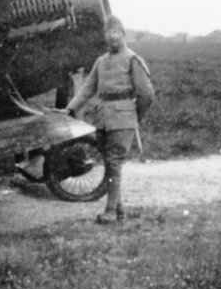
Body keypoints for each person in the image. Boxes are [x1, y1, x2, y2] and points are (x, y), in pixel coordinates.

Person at [65, 15, 155, 223]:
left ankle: (111, 211)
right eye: (108, 33)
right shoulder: (100, 61)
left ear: (123, 35)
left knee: (113, 163)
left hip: (123, 119)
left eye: (116, 32)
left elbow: (147, 95)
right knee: (109, 164)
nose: (112, 37)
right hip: (103, 118)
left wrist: (135, 116)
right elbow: (87, 89)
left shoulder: (133, 60)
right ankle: (119, 209)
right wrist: (70, 109)